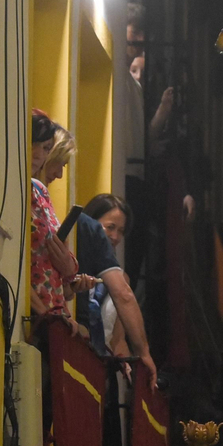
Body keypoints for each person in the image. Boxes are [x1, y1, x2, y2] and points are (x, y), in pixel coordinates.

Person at [75, 192, 157, 379]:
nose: (115, 237)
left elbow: (117, 339)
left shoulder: (121, 279)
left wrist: (132, 364)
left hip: (102, 363)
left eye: (121, 231)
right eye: (110, 227)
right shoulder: (75, 259)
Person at [28, 111, 94, 338]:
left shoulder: (41, 196)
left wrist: (69, 276)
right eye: (59, 164)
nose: (58, 174)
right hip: (41, 315)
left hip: (52, 313)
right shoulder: (30, 193)